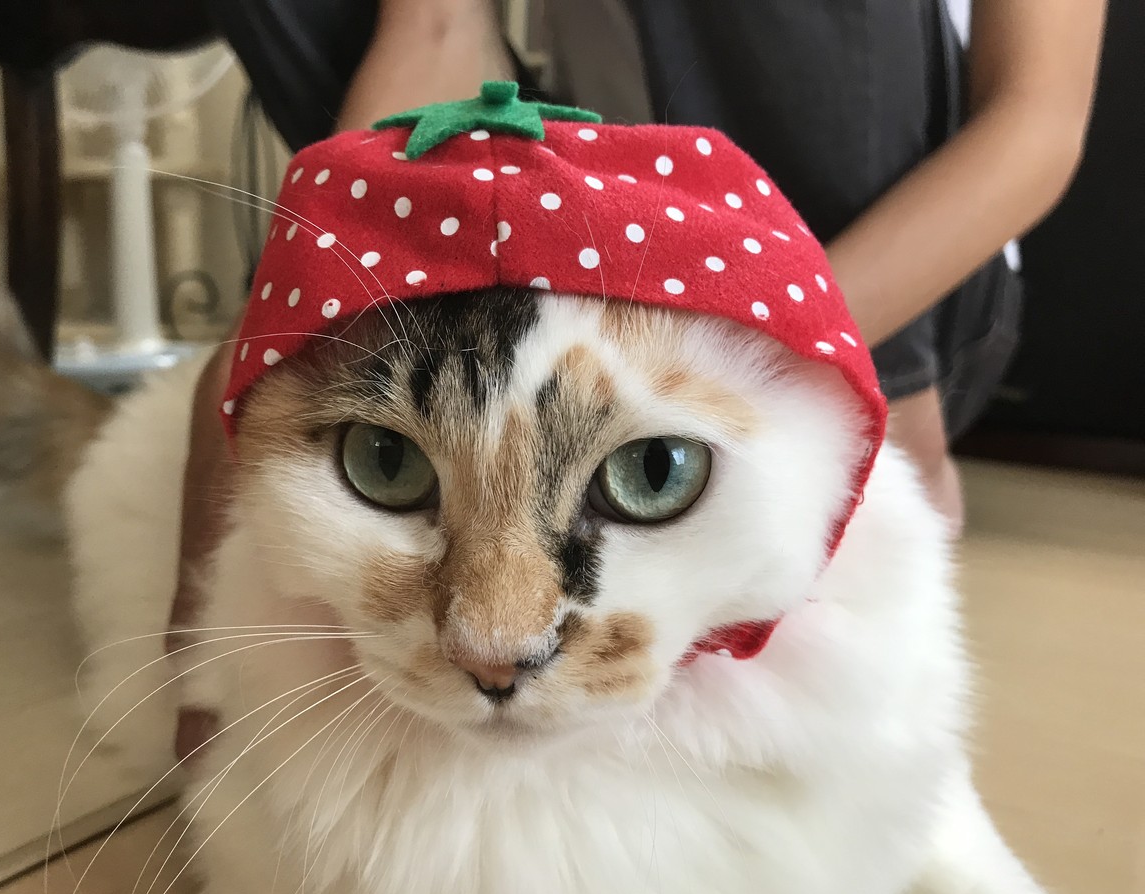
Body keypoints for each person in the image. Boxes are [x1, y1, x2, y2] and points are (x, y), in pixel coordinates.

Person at [168, 0, 1106, 756]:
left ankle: (896, 415)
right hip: (583, 236)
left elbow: (1038, 120)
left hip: (887, 286)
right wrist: (323, 297)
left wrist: (780, 347)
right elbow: (437, 24)